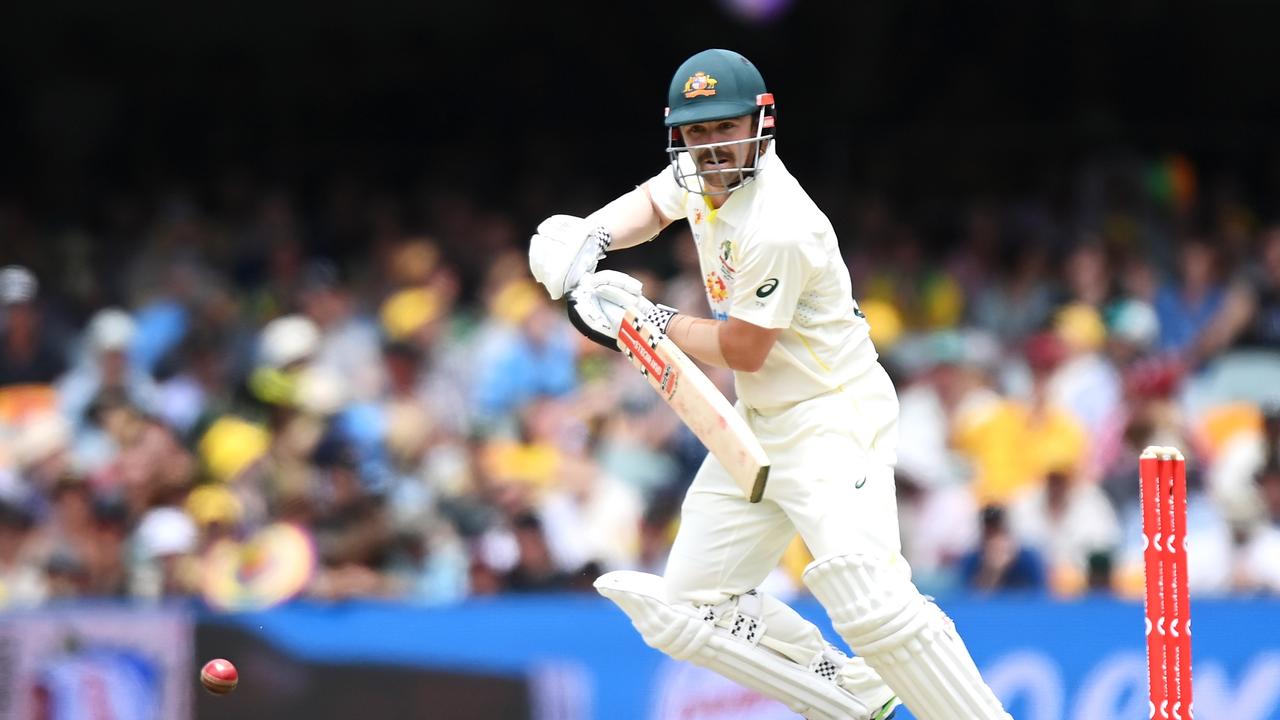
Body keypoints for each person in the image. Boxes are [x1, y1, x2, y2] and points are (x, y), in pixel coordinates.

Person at [528, 49, 1010, 720]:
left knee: (871, 602)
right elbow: (651, 203)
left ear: (760, 122)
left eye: (724, 128)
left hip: (832, 421)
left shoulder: (781, 223)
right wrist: (591, 236)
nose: (711, 147)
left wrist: (645, 321)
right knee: (693, 606)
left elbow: (744, 348)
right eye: (695, 134)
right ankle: (841, 685)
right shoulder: (700, 175)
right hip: (760, 424)